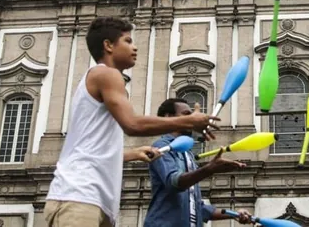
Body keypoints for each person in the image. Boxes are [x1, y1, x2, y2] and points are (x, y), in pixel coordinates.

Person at [45, 17, 219, 227]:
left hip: (93, 199)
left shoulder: (103, 79)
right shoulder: (107, 74)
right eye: (127, 41)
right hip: (79, 195)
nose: (135, 47)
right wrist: (189, 121)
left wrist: (131, 154)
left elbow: (89, 148)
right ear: (108, 45)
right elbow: (132, 125)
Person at [144, 98, 253, 226]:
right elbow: (174, 182)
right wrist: (209, 169)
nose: (193, 119)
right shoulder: (161, 146)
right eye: (186, 114)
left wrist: (233, 214)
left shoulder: (187, 154)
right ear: (169, 117)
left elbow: (198, 209)